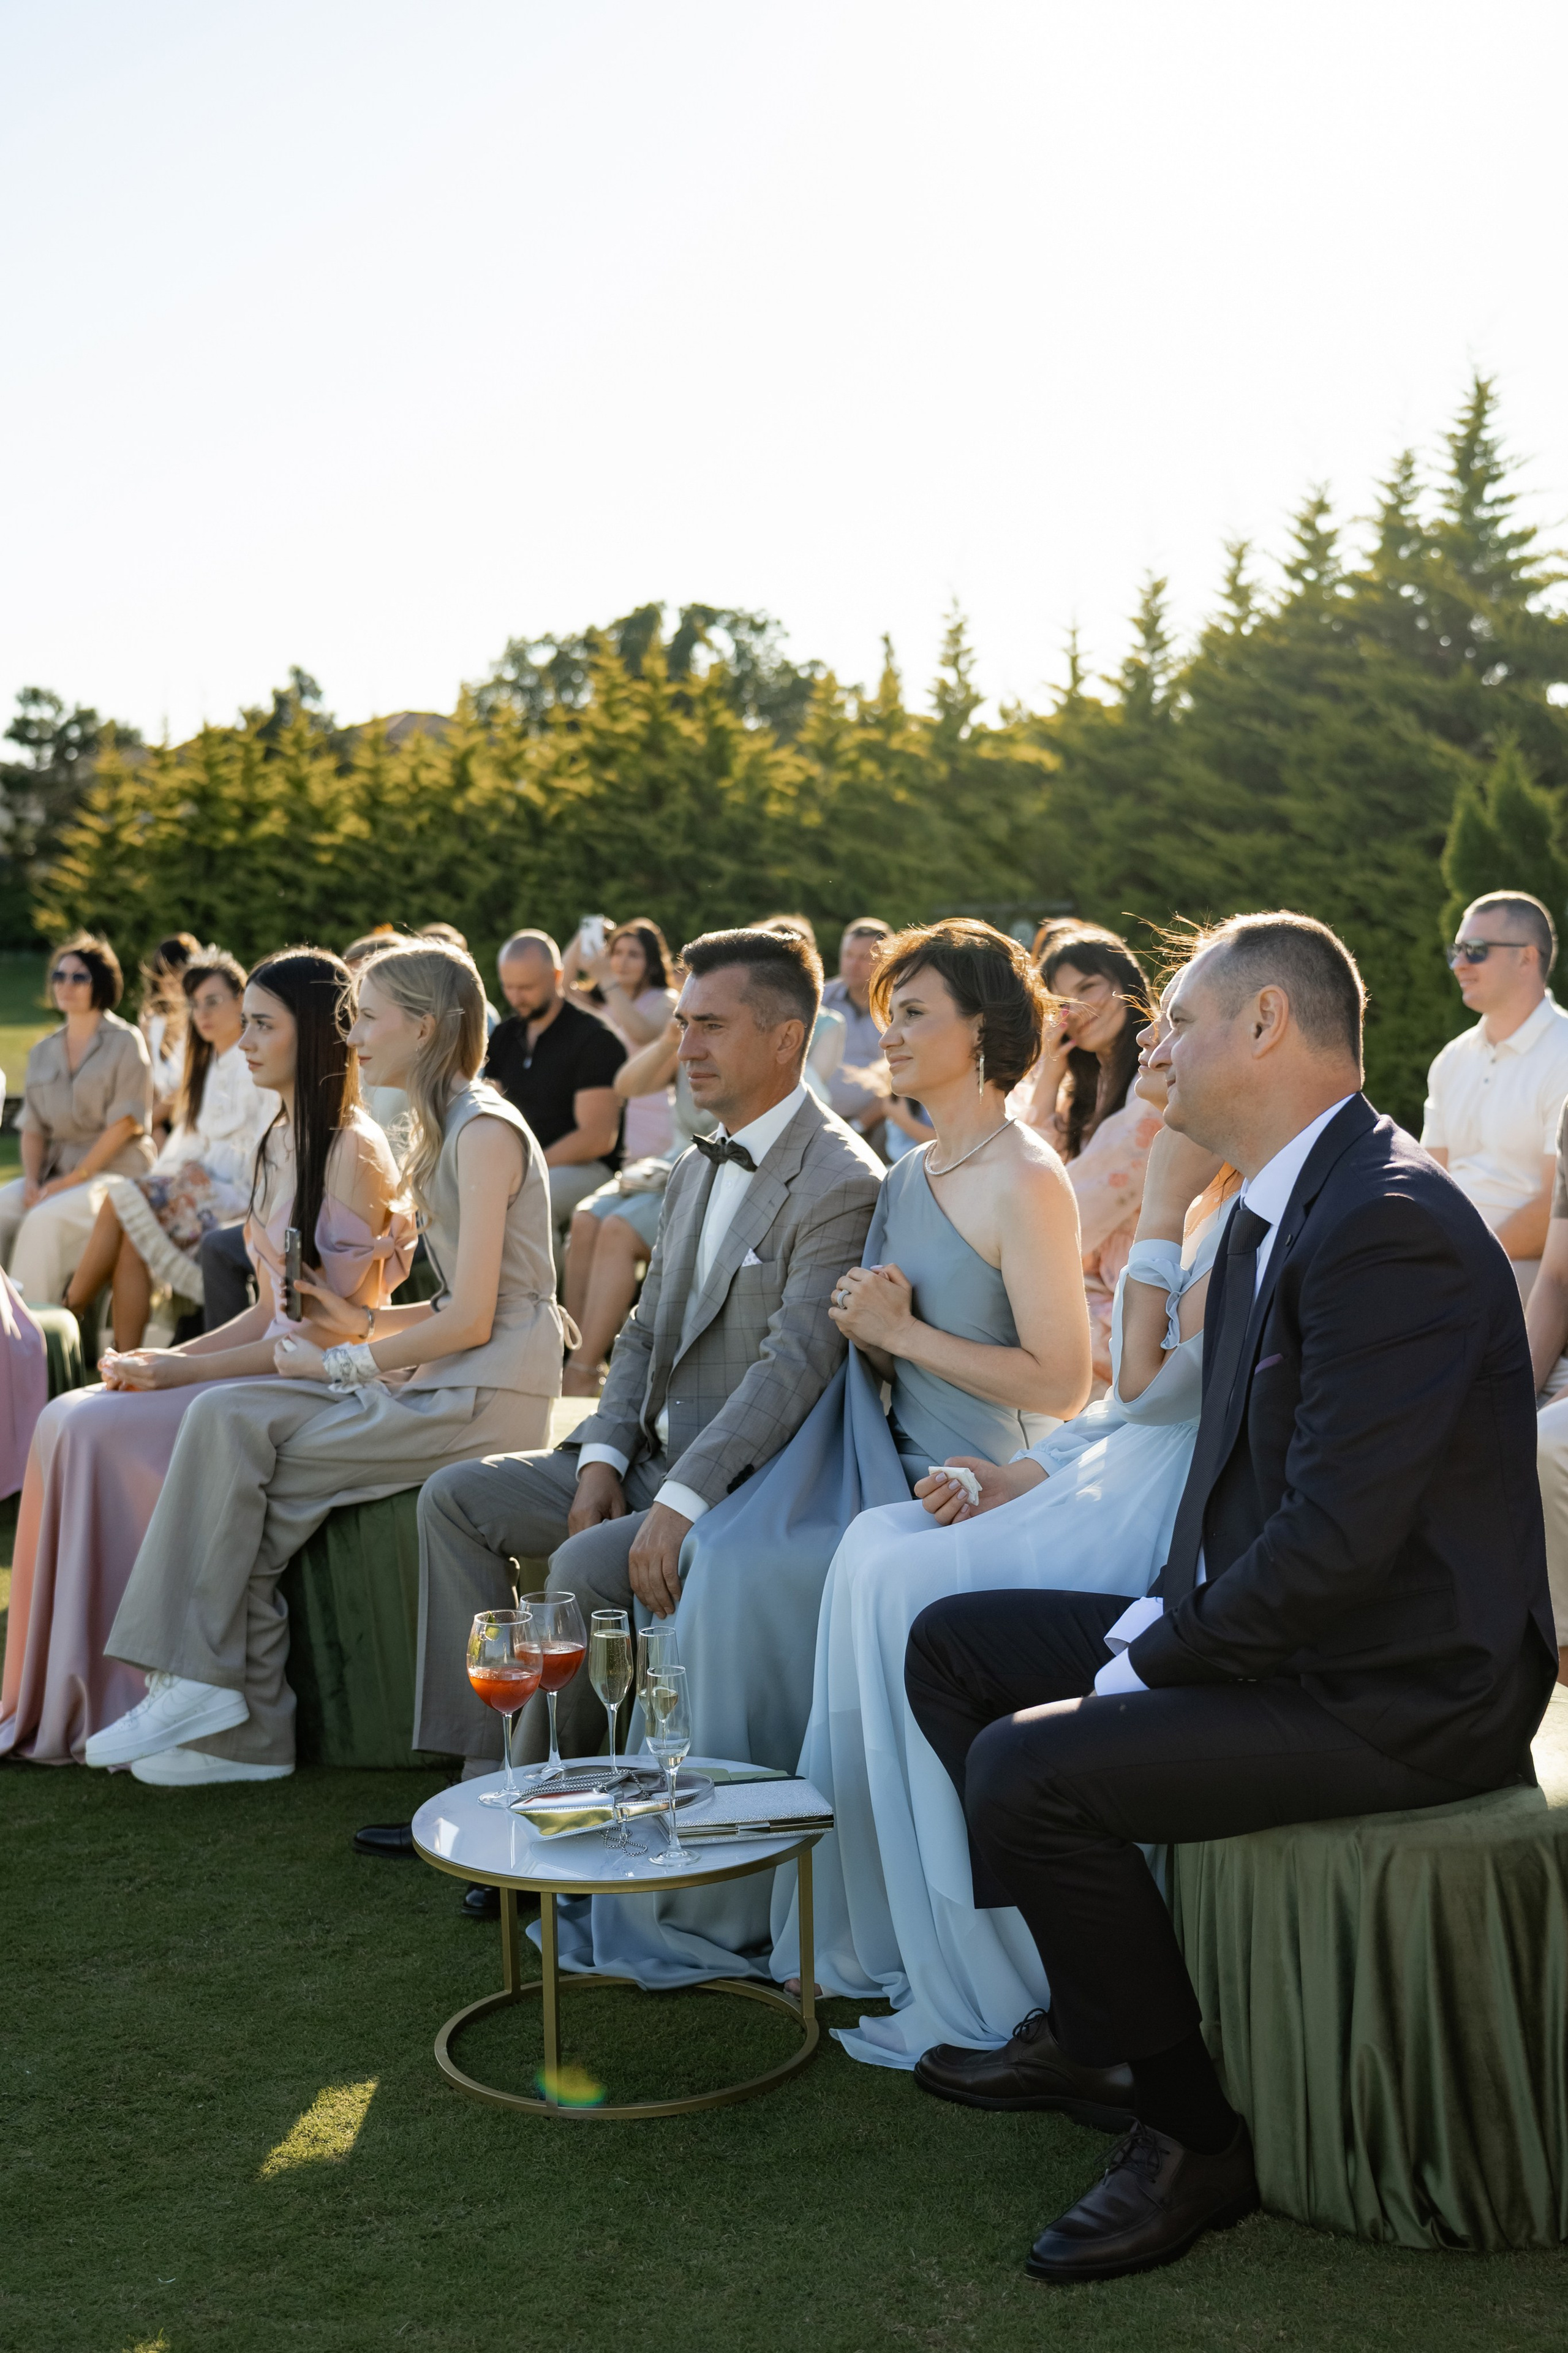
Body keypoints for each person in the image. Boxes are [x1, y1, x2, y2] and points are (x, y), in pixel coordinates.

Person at [902, 910, 1555, 2286]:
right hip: (1307, 1638)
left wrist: (1161, 1653)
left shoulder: (1385, 1223)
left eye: (1179, 1016)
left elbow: (1337, 1543)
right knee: (954, 1648)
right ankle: (1097, 2029)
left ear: (1264, 1026)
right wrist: (1158, 1617)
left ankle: (1192, 2135)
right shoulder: (1273, 1207)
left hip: (1403, 1682)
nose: (1154, 1040)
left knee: (1029, 1767)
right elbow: (1220, 1476)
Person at [570, 919, 1093, 1991]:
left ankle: (740, 1895)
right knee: (728, 1552)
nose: (886, 1034)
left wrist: (899, 1335)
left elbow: (1061, 1381)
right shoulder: (912, 1168)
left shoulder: (1027, 1177)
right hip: (878, 1458)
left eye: (912, 1014)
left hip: (977, 1487)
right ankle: (697, 1873)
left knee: (744, 1571)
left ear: (983, 1031)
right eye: (888, 1010)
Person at [773, 986, 1239, 2058]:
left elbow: (1140, 1389)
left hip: (1165, 1501)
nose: (1152, 1045)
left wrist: (1161, 1213)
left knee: (906, 1579)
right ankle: (924, 1931)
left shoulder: (1218, 1203)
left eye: (1176, 1025)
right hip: (1102, 1463)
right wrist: (1006, 1478)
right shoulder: (1196, 1190)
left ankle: (1009, 1956)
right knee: (878, 1544)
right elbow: (1114, 1416)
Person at [406, 924, 884, 1788]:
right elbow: (640, 1332)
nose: (684, 1046)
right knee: (457, 1499)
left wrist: (681, 1500)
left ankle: (552, 1795)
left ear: (786, 1039)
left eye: (711, 1026)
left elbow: (791, 1372)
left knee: (588, 1563)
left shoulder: (842, 1179)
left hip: (740, 1484)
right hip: (643, 1457)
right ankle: (482, 1774)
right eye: (683, 1023)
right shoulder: (702, 1155)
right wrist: (600, 1456)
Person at [83, 939, 564, 1787]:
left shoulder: (484, 1131)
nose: (353, 1032)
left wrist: (348, 1364)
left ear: (424, 1026)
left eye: (368, 1015)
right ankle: (239, 1721)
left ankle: (207, 1691)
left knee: (236, 1445)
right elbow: (459, 1306)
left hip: (487, 1395)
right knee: (238, 1453)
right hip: (451, 1373)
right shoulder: (446, 1125)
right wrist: (367, 1321)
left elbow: (483, 1316)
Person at [0, 948, 413, 1767]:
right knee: (71, 1414)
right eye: (246, 1023)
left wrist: (181, 1371)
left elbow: (332, 1331)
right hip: (274, 1363)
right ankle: (83, 1692)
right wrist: (164, 1358)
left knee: (91, 1430)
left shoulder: (355, 1150)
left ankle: (149, 1684)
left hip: (330, 1388)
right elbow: (268, 1310)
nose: (245, 1041)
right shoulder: (279, 1136)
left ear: (320, 1035)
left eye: (264, 1025)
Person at [63, 949, 277, 1350]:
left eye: (213, 1001)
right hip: (199, 1184)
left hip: (234, 1196)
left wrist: (188, 1180)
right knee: (132, 1235)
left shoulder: (257, 1062)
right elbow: (189, 1142)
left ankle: (68, 1308)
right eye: (195, 1005)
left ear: (242, 1000)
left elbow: (260, 1152)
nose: (203, 1014)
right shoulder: (205, 1062)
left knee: (120, 1198)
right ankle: (123, 1360)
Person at [1020, 926, 1158, 1391]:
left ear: (1124, 979)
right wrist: (1048, 1076)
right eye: (1062, 1001)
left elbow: (1060, 1209)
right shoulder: (1084, 1093)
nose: (1078, 1009)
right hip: (1096, 1288)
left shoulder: (1160, 1077)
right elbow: (1026, 1170)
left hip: (1148, 1295)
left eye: (1088, 987)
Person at [1423, 891, 1568, 1302]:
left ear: (1527, 958)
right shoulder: (1451, 1060)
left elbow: (1556, 1208)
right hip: (1452, 1265)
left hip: (1533, 1274)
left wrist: (1462, 1260)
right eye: (1456, 950)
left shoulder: (1565, 1052)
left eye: (1476, 950)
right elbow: (1430, 1184)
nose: (1459, 964)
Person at [560, 1021, 718, 1397]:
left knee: (617, 1228)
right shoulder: (684, 1043)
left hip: (708, 1168)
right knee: (585, 1218)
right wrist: (667, 1040)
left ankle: (582, 1372)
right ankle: (577, 1360)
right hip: (665, 1166)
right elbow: (626, 1087)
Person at [0, 934, 154, 1308]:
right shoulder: (43, 1051)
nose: (65, 985)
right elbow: (33, 1128)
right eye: (59, 975)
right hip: (57, 1177)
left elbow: (125, 1126)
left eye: (78, 977)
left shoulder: (125, 1042)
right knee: (3, 1208)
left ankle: (33, 1342)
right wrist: (35, 1181)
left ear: (101, 984)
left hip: (115, 1176)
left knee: (43, 1223)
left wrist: (71, 1181)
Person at [484, 929, 626, 1233]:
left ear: (558, 975)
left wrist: (526, 1170)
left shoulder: (595, 1038)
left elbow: (598, 1137)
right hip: (517, 1163)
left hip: (586, 1167)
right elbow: (490, 1107)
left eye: (527, 987)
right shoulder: (505, 1036)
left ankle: (547, 1284)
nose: (516, 998)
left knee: (528, 1204)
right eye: (509, 987)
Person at [564, 916, 680, 1159]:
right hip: (605, 1111)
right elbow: (561, 987)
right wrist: (583, 936)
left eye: (634, 955)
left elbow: (642, 1034)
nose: (622, 962)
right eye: (616, 953)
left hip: (649, 1112)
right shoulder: (599, 1002)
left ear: (652, 963)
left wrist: (607, 979)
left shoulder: (666, 999)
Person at [821, 916, 893, 1143]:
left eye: (864, 958)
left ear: (886, 962)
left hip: (883, 1123)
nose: (853, 964)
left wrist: (858, 1126)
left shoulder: (901, 1007)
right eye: (849, 955)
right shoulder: (818, 1001)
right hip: (818, 1120)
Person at [138, 931, 202, 1143]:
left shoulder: (203, 1023)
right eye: (164, 972)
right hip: (158, 1123)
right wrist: (151, 1125)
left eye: (178, 972)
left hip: (192, 1121)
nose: (170, 980)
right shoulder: (150, 1021)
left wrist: (143, 1126)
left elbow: (187, 1088)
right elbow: (147, 1081)